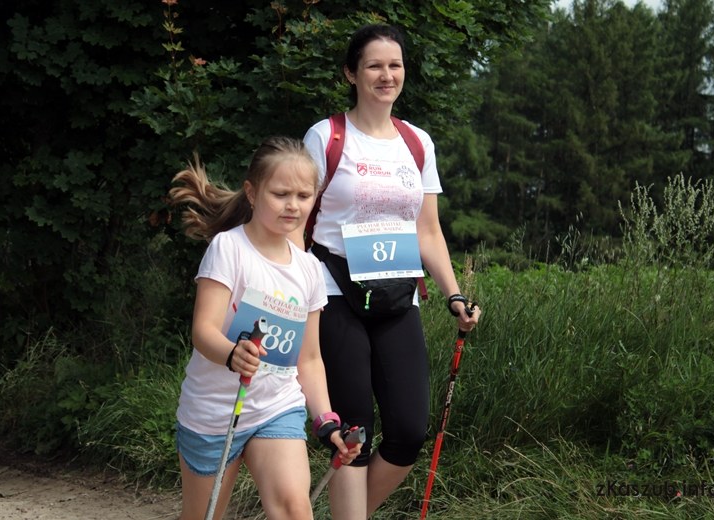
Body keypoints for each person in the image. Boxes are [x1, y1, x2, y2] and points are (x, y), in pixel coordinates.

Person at [301, 24, 482, 519]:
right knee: (353, 429)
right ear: (351, 74)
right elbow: (297, 217)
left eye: (395, 65)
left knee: (408, 431)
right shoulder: (326, 136)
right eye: (375, 66)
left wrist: (453, 294)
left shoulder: (417, 142)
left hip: (399, 293)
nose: (387, 75)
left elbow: (429, 230)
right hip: (334, 290)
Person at [168, 136, 360, 520]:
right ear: (252, 193)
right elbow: (203, 330)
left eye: (304, 196)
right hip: (214, 410)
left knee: (294, 508)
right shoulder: (229, 249)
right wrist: (232, 353)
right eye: (280, 194)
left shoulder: (309, 269)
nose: (293, 205)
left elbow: (309, 359)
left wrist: (325, 420)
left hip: (276, 406)